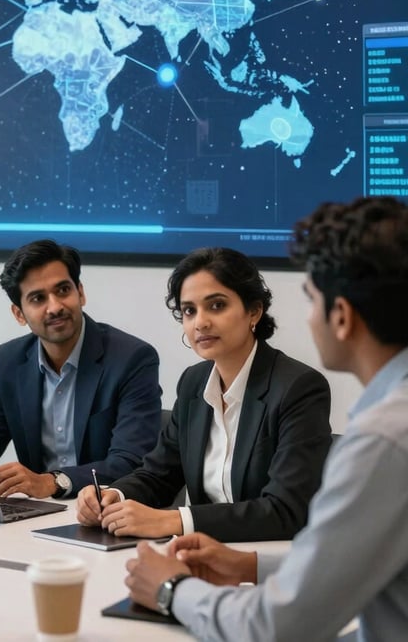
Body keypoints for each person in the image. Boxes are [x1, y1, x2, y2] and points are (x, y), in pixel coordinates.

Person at [122, 196, 408, 640]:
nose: (200, 322)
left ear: (342, 316)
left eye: (310, 299)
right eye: (190, 310)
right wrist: (250, 564)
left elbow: (277, 625)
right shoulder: (391, 420)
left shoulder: (383, 438)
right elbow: (351, 562)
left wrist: (171, 590)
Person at [77, 246, 331, 541]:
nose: (200, 322)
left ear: (254, 312)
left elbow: (285, 511)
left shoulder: (298, 388)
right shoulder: (193, 384)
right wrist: (113, 496)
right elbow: (159, 474)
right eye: (189, 310)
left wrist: (175, 520)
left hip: (268, 561)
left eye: (217, 305)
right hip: (200, 555)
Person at [0, 239, 162, 499]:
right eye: (38, 298)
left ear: (81, 293)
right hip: (37, 516)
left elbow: (130, 462)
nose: (55, 306)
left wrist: (54, 482)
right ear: (19, 313)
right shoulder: (9, 360)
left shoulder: (132, 359)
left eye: (63, 290)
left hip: (108, 513)